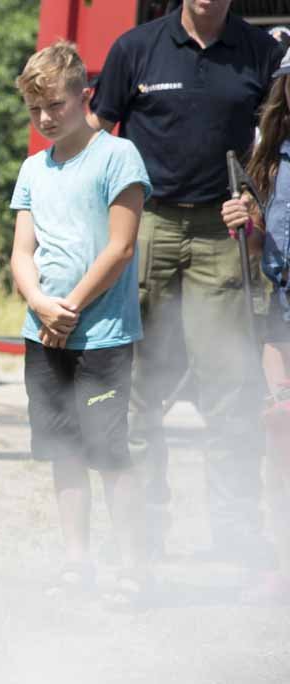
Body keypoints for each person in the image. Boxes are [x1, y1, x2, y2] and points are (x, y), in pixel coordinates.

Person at [89, 0, 284, 563]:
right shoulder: (135, 49)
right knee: (139, 394)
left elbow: (273, 145)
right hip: (146, 224)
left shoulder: (261, 53)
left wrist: (252, 197)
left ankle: (235, 542)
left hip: (220, 236)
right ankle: (143, 539)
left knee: (230, 393)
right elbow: (99, 138)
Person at [10, 41, 152, 605]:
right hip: (42, 332)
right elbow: (22, 252)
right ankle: (77, 564)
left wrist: (66, 310)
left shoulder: (119, 157)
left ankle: (134, 570)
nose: (45, 119)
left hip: (102, 337)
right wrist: (40, 304)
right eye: (34, 109)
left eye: (56, 106)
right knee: (62, 452)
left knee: (109, 453)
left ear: (83, 96)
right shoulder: (32, 169)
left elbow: (119, 248)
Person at [220, 48, 290, 603]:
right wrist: (246, 221)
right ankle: (279, 561)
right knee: (279, 438)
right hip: (280, 319)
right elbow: (267, 241)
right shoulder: (268, 157)